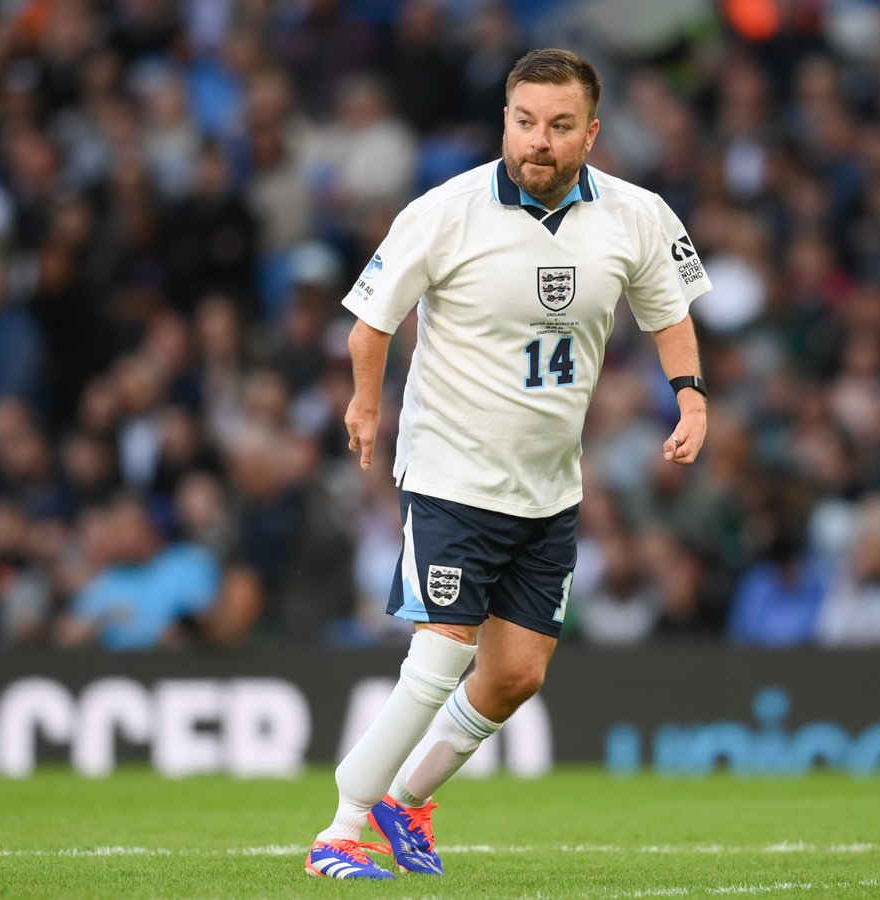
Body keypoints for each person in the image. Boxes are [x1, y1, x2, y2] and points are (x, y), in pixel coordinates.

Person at [304, 48, 712, 880]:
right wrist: (366, 404)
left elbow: (668, 310)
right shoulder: (444, 212)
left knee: (517, 674)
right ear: (505, 121)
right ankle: (339, 833)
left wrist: (692, 398)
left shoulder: (638, 215)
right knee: (441, 652)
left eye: (559, 125)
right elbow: (370, 322)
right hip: (453, 472)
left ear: (590, 133)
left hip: (550, 485)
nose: (538, 141)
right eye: (524, 121)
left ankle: (404, 801)